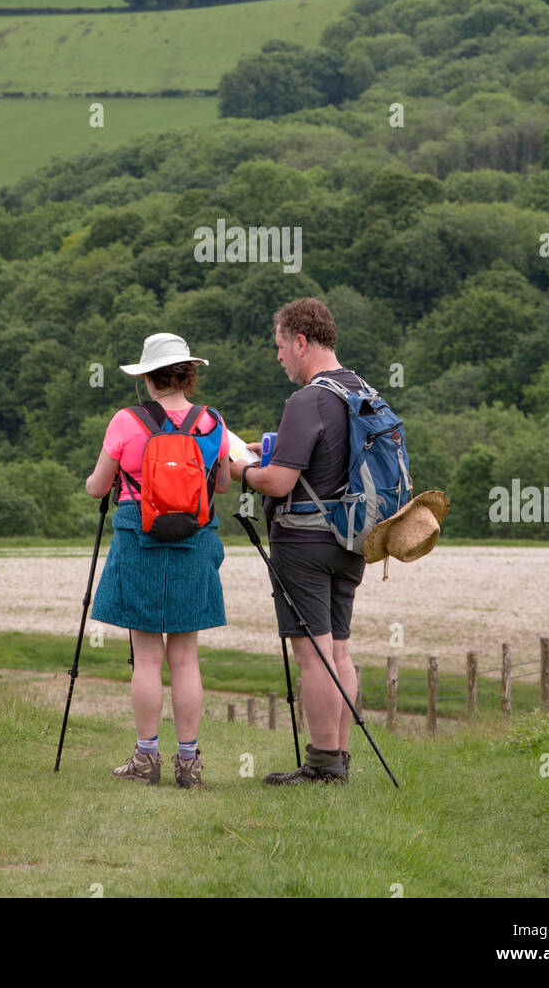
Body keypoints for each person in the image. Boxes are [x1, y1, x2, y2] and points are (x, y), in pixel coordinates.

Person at [85, 332, 230, 789]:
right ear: (189, 374)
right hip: (194, 538)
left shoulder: (126, 422)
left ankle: (146, 759)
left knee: (147, 658)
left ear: (148, 378)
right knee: (185, 658)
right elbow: (222, 484)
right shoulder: (211, 422)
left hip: (139, 537)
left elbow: (96, 486)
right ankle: (189, 763)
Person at [231, 298, 366, 785]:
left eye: (280, 347)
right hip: (353, 540)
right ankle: (341, 756)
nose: (279, 357)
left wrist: (241, 470)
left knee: (313, 654)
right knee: (341, 652)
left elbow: (280, 482)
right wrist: (268, 445)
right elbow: (329, 454)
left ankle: (322, 764)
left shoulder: (307, 399)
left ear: (301, 341)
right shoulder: (359, 390)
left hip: (305, 545)